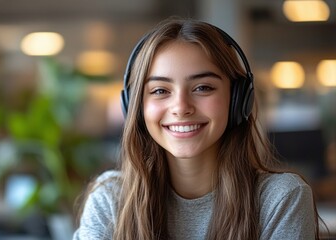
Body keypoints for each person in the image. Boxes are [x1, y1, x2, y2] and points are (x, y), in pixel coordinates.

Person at [73, 17, 323, 239]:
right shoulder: (111, 199)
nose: (181, 107)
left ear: (238, 100)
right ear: (136, 108)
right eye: (160, 91)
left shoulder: (280, 198)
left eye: (203, 87)